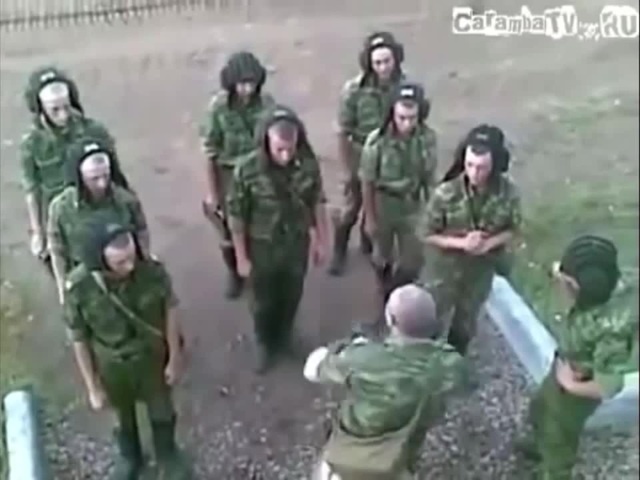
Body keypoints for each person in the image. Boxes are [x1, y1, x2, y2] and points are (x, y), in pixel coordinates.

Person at [63, 218, 191, 480]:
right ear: (100, 261)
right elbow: (79, 338)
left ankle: (167, 455)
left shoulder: (151, 271)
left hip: (151, 358)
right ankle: (129, 457)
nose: (130, 266)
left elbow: (170, 310)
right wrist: (93, 387)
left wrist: (174, 358)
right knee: (122, 417)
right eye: (120, 262)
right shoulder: (80, 286)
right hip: (112, 365)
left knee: (162, 410)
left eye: (131, 257)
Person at [305, 284, 465, 480]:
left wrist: (347, 348)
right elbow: (462, 382)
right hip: (399, 459)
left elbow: (311, 370)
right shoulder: (450, 365)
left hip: (349, 459)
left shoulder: (363, 358)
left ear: (391, 320)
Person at [517, 235, 638, 479]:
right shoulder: (613, 284)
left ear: (580, 290)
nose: (561, 283)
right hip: (564, 367)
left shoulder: (610, 333)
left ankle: (553, 470)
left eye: (567, 282)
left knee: (559, 440)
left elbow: (608, 386)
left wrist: (569, 384)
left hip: (576, 390)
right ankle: (537, 445)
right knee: (540, 408)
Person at [226, 106, 329, 374]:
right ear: (266, 142)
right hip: (262, 248)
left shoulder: (307, 164)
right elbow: (237, 217)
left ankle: (285, 336)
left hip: (295, 244)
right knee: (262, 301)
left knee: (291, 294)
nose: (285, 155)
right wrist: (241, 257)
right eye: (279, 149)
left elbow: (317, 202)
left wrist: (321, 240)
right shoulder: (247, 170)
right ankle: (264, 342)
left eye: (290, 149)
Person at [416, 124, 520, 356]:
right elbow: (426, 232)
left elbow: (514, 229)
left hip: (479, 272)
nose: (474, 173)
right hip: (445, 271)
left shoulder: (509, 194)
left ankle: (455, 360)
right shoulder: (446, 194)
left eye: (482, 168)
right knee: (431, 319)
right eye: (470, 165)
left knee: (465, 323)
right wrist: (462, 244)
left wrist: (489, 244)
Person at [19, 66, 128, 274]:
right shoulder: (32, 144)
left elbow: (115, 175)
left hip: (96, 207)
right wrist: (38, 232)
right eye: (55, 110)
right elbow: (32, 190)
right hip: (61, 217)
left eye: (66, 107)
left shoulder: (93, 131)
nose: (63, 116)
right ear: (41, 109)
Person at [328, 31, 406, 277]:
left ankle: (367, 238)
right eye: (377, 62)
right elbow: (342, 132)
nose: (383, 67)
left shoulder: (404, 88)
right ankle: (339, 250)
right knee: (350, 208)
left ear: (396, 59)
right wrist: (345, 169)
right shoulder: (354, 90)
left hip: (389, 156)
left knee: (379, 205)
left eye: (387, 61)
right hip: (359, 153)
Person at [201, 51, 276, 299]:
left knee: (261, 226)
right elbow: (210, 153)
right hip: (229, 177)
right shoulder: (218, 108)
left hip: (259, 175)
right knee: (228, 232)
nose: (247, 89)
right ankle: (234, 273)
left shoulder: (267, 104)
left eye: (251, 83)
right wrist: (213, 194)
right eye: (242, 84)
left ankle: (259, 272)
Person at [360, 81, 437, 317]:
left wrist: (432, 211)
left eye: (412, 118)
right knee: (381, 256)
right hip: (384, 203)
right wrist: (370, 218)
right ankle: (384, 294)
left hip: (411, 203)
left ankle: (398, 293)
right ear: (392, 112)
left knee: (414, 260)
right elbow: (367, 181)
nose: (407, 123)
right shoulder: (377, 141)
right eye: (402, 117)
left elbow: (429, 177)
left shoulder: (427, 138)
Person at [47, 137, 149, 305]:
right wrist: (63, 289)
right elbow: (57, 250)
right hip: (85, 283)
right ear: (79, 177)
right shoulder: (62, 208)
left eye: (106, 176)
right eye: (94, 178)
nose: (102, 184)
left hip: (124, 277)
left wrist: (146, 263)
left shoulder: (126, 200)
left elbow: (141, 231)